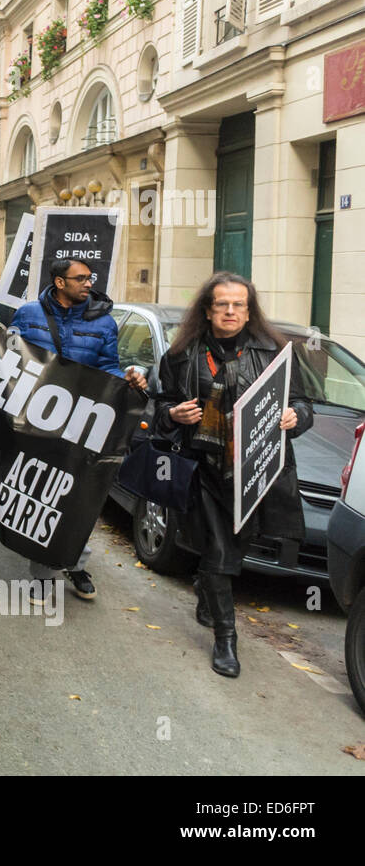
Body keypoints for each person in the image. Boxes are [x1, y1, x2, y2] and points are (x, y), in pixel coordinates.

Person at [155, 272, 311, 678]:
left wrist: (296, 416)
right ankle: (227, 639)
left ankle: (207, 587)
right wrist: (172, 414)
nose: (229, 311)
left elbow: (301, 404)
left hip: (254, 472)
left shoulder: (275, 352)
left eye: (238, 304)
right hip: (203, 469)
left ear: (248, 310)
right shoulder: (180, 355)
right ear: (207, 310)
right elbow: (159, 408)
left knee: (233, 548)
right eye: (221, 304)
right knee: (222, 550)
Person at [11, 258, 148, 604]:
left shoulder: (103, 322)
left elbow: (108, 366)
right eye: (80, 278)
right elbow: (11, 355)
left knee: (76, 496)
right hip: (36, 419)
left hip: (83, 422)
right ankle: (43, 575)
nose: (89, 284)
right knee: (44, 492)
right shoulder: (28, 314)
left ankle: (73, 561)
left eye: (90, 278)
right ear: (59, 282)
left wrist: (126, 380)